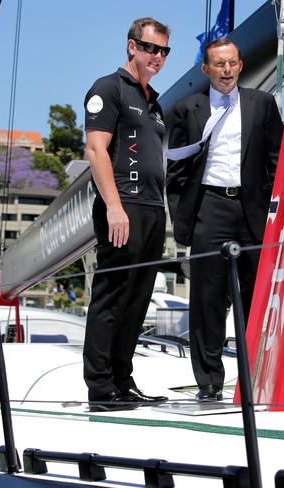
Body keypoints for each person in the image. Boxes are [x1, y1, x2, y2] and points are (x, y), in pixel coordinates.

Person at [166, 38, 283, 402]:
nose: (227, 70)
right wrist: (185, 218)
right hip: (210, 207)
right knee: (208, 299)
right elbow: (176, 169)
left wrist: (278, 212)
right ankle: (210, 381)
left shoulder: (263, 104)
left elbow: (277, 159)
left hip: (251, 209)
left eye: (232, 63)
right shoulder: (188, 109)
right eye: (219, 64)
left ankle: (251, 379)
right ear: (206, 69)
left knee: (253, 296)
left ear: (241, 65)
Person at [83, 17, 171, 412]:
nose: (157, 57)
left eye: (164, 51)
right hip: (124, 206)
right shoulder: (109, 88)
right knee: (112, 297)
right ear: (132, 46)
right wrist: (115, 207)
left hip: (153, 209)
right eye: (150, 48)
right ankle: (100, 387)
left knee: (138, 300)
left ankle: (122, 378)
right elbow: (96, 150)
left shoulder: (155, 102)